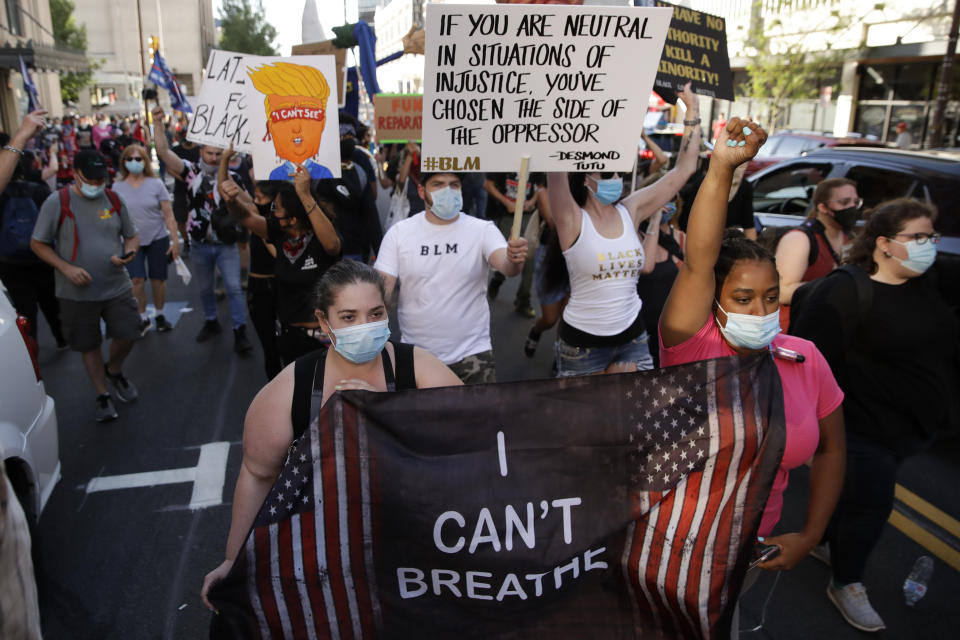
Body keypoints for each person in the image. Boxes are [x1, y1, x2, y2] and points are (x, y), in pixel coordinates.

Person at [658, 118, 846, 635]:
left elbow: (832, 450)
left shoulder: (805, 358)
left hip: (750, 552)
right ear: (711, 302)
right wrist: (720, 167)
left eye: (769, 297)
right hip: (674, 545)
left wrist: (810, 534)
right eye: (742, 299)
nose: (761, 310)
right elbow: (698, 260)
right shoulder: (693, 347)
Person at [199, 259, 462, 610]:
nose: (365, 326)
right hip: (326, 556)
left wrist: (388, 414)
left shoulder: (419, 369)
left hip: (414, 547)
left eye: (375, 313)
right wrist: (234, 560)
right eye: (349, 317)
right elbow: (257, 474)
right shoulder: (292, 388)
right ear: (324, 321)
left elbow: (473, 441)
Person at [789, 198, 959, 633]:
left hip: (914, 428)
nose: (929, 246)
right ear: (884, 244)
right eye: (917, 237)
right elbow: (810, 360)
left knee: (856, 496)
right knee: (872, 506)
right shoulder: (846, 290)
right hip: (861, 429)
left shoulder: (931, 281)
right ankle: (846, 582)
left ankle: (828, 539)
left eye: (932, 237)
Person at [546, 82, 701, 376]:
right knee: (588, 423)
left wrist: (691, 109)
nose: (616, 177)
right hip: (582, 349)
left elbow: (685, 169)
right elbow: (554, 161)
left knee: (636, 419)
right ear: (584, 178)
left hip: (634, 339)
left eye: (619, 169)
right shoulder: (571, 219)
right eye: (607, 171)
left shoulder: (631, 210)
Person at [374, 171, 528, 384]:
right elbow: (382, 288)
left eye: (454, 185)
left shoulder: (482, 230)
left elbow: (507, 266)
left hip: (473, 355)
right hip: (417, 357)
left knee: (479, 417)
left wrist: (514, 257)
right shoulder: (399, 233)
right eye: (438, 184)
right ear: (421, 191)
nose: (447, 190)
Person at [29, 150, 142, 422]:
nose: (95, 184)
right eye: (90, 179)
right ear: (75, 175)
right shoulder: (58, 201)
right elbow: (37, 243)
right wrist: (66, 268)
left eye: (99, 179)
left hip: (116, 285)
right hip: (76, 293)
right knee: (88, 345)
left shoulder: (114, 198)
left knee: (129, 332)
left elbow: (132, 237)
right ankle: (102, 394)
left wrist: (128, 254)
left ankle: (113, 370)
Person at [219, 154, 341, 365]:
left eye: (277, 209)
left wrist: (304, 194)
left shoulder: (321, 237)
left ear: (293, 218)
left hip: (325, 340)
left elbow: (332, 245)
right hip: (291, 338)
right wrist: (232, 202)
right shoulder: (277, 233)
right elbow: (245, 217)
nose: (272, 212)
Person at [151, 105, 252, 354]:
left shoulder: (232, 178)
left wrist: (235, 195)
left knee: (234, 288)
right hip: (200, 244)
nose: (214, 158)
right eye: (209, 153)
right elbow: (163, 151)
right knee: (205, 288)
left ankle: (240, 330)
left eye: (219, 154)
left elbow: (250, 205)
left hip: (226, 244)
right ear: (201, 152)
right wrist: (157, 123)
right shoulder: (190, 172)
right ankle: (211, 321)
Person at [0, 145, 67, 348]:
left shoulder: (2, 196)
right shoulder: (38, 189)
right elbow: (56, 223)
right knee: (51, 302)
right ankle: (62, 338)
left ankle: (31, 348)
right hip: (42, 256)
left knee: (24, 309)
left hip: (10, 263)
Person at [775, 178, 860, 330]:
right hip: (797, 328)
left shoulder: (850, 237)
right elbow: (782, 291)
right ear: (823, 207)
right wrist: (832, 285)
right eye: (844, 202)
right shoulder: (800, 239)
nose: (852, 207)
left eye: (855, 202)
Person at [112, 143, 179, 333]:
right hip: (131, 241)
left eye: (138, 159)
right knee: (136, 280)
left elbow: (168, 214)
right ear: (124, 162)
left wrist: (175, 241)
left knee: (158, 279)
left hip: (158, 238)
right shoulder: (117, 187)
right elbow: (113, 217)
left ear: (145, 161)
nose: (134, 162)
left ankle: (159, 314)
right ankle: (142, 317)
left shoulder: (156, 184)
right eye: (130, 159)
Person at [247, 62, 334, 180]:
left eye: (307, 114)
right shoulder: (273, 176)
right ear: (269, 127)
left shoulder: (325, 174)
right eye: (284, 115)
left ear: (323, 123)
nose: (297, 128)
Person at [634, 201, 685, 368]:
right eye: (661, 201)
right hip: (642, 329)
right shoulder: (634, 236)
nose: (665, 208)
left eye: (671, 201)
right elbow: (646, 267)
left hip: (670, 329)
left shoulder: (681, 239)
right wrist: (654, 220)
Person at [484, 171, 541, 317]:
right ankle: (498, 279)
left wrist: (532, 201)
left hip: (528, 217)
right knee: (505, 256)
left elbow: (541, 187)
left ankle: (523, 301)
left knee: (528, 258)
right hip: (508, 217)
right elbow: (488, 185)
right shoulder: (504, 161)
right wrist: (507, 202)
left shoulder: (537, 163)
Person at [244, 181, 282, 379]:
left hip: (282, 287)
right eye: (254, 198)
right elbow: (229, 195)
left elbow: (279, 255)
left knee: (287, 343)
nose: (255, 202)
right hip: (259, 286)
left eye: (260, 198)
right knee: (269, 346)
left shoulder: (282, 225)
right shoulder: (255, 218)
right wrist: (225, 159)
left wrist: (265, 235)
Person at [171, 129, 200, 255]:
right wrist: (184, 178)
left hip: (198, 189)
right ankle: (187, 241)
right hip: (181, 189)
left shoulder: (200, 150)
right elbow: (169, 168)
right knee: (180, 219)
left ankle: (198, 240)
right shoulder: (176, 151)